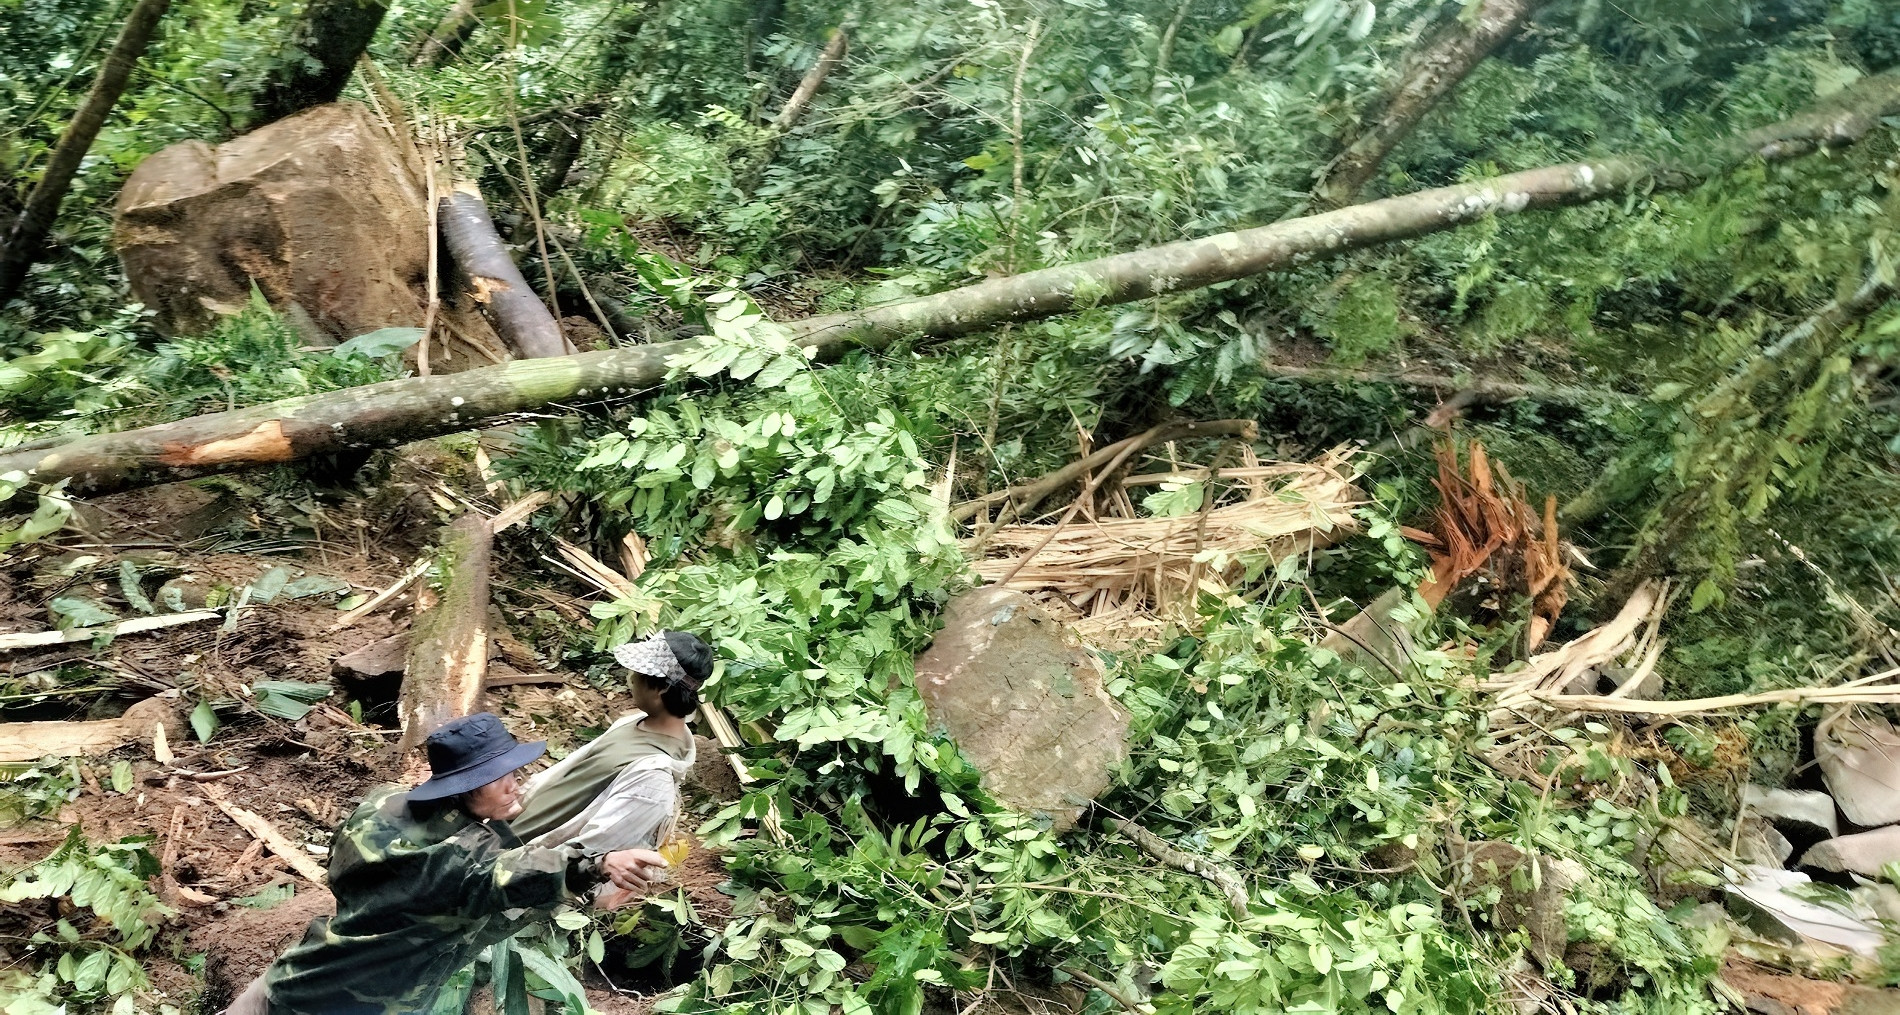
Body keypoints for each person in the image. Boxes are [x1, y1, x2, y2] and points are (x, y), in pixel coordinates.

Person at [225, 712, 667, 1015]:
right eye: (500, 778)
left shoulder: (382, 804)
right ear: (464, 787)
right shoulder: (457, 863)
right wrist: (600, 862)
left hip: (291, 979)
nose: (516, 785)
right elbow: (508, 875)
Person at [509, 630, 709, 907]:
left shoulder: (653, 780)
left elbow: (594, 847)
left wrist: (526, 874)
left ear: (661, 688)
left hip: (526, 862)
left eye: (637, 673)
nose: (630, 678)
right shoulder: (634, 723)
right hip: (511, 831)